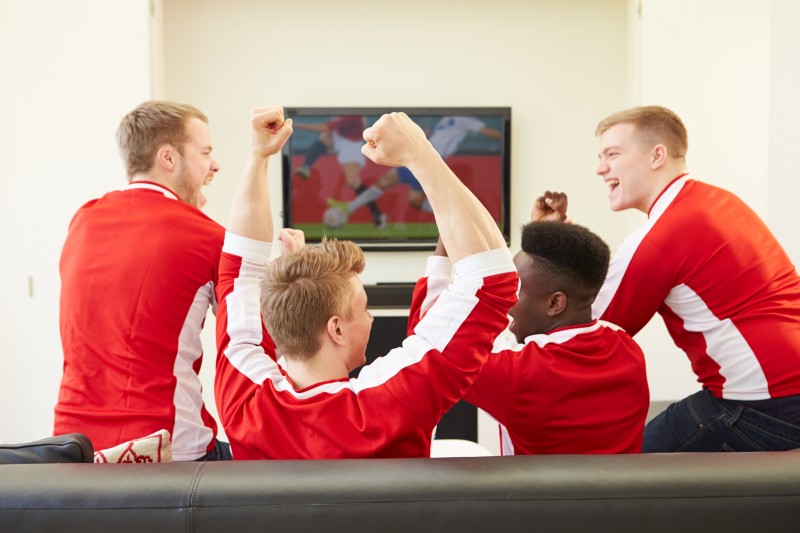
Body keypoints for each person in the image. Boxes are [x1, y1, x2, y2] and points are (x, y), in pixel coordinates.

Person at [214, 108, 517, 459]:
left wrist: (257, 157)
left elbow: (239, 272)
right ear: (337, 329)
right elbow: (492, 282)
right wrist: (420, 153)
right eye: (364, 308)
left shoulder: (243, 401)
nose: (371, 318)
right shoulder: (391, 403)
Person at [535, 105, 800, 452]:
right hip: (783, 393)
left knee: (628, 468)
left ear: (657, 155)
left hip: (762, 406)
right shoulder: (717, 201)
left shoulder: (661, 236)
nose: (600, 168)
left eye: (612, 154)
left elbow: (583, 332)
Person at [54, 100, 234, 461]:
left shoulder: (83, 221)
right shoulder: (208, 235)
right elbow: (246, 346)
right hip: (165, 450)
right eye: (205, 152)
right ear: (167, 158)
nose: (214, 165)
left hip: (73, 450)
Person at [408, 222, 649, 455]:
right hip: (623, 497)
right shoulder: (629, 350)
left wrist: (443, 252)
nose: (507, 300)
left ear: (555, 303)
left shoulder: (516, 375)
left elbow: (429, 338)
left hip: (536, 498)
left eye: (516, 289)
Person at [328, 115, 501, 219]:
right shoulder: (450, 118)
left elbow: (487, 132)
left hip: (426, 160)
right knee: (386, 180)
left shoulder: (465, 120)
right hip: (418, 154)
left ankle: (459, 216)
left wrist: (505, 135)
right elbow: (441, 137)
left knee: (415, 201)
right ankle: (350, 208)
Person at [294, 116, 385, 227]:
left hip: (350, 146)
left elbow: (324, 127)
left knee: (353, 182)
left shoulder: (351, 117)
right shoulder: (343, 115)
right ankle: (306, 166)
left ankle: (377, 214)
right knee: (325, 138)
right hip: (343, 140)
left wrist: (296, 125)